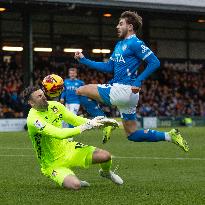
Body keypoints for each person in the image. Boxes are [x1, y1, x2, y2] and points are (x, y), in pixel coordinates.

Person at [74, 11, 189, 151]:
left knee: (80, 91)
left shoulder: (135, 43)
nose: (117, 26)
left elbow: (154, 62)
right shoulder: (119, 45)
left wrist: (139, 80)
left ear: (130, 27)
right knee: (132, 134)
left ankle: (105, 122)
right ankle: (170, 136)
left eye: (121, 23)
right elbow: (108, 67)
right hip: (129, 94)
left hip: (123, 89)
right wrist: (84, 60)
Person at [22, 86, 123, 190]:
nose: (44, 97)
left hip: (68, 148)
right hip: (52, 162)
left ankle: (106, 173)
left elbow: (75, 120)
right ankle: (69, 177)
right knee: (75, 185)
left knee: (105, 156)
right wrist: (85, 127)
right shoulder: (34, 120)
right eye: (39, 96)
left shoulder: (56, 106)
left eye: (42, 94)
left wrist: (93, 122)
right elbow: (59, 133)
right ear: (32, 103)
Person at [60, 67, 113, 142]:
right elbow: (64, 91)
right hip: (67, 102)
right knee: (65, 118)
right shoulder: (65, 82)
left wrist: (87, 98)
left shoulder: (80, 83)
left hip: (76, 102)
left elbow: (85, 91)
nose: (72, 74)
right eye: (71, 73)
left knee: (71, 117)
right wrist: (62, 98)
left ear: (76, 74)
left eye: (73, 73)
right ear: (69, 74)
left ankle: (70, 136)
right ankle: (63, 134)